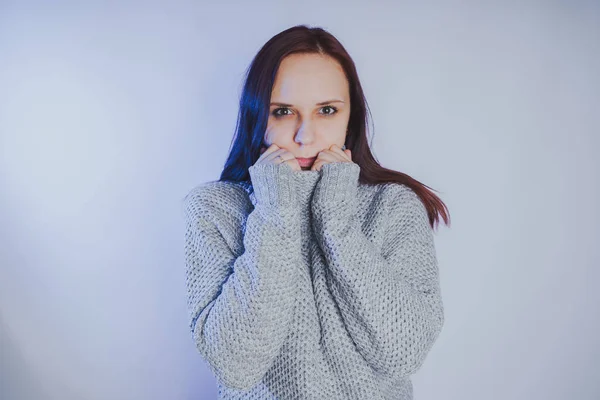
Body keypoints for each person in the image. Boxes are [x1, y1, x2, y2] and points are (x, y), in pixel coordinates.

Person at [182, 24, 450, 400]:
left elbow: (404, 352)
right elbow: (237, 365)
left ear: (350, 118)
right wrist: (276, 211)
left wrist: (337, 222)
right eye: (283, 111)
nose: (305, 136)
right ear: (257, 118)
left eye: (326, 110)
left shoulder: (393, 205)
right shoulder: (215, 210)